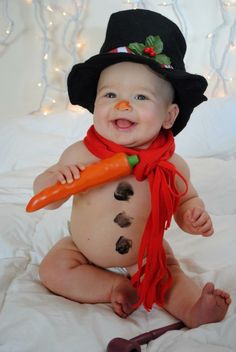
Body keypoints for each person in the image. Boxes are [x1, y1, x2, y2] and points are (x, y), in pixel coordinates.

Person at [35, 9, 231, 327]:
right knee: (53, 269)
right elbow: (49, 194)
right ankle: (114, 287)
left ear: (169, 116)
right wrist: (53, 181)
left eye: (141, 96)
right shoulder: (82, 153)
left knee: (169, 276)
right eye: (110, 94)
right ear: (95, 103)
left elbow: (185, 200)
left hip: (145, 254)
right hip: (82, 250)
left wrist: (192, 215)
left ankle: (195, 309)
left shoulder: (171, 165)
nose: (123, 104)